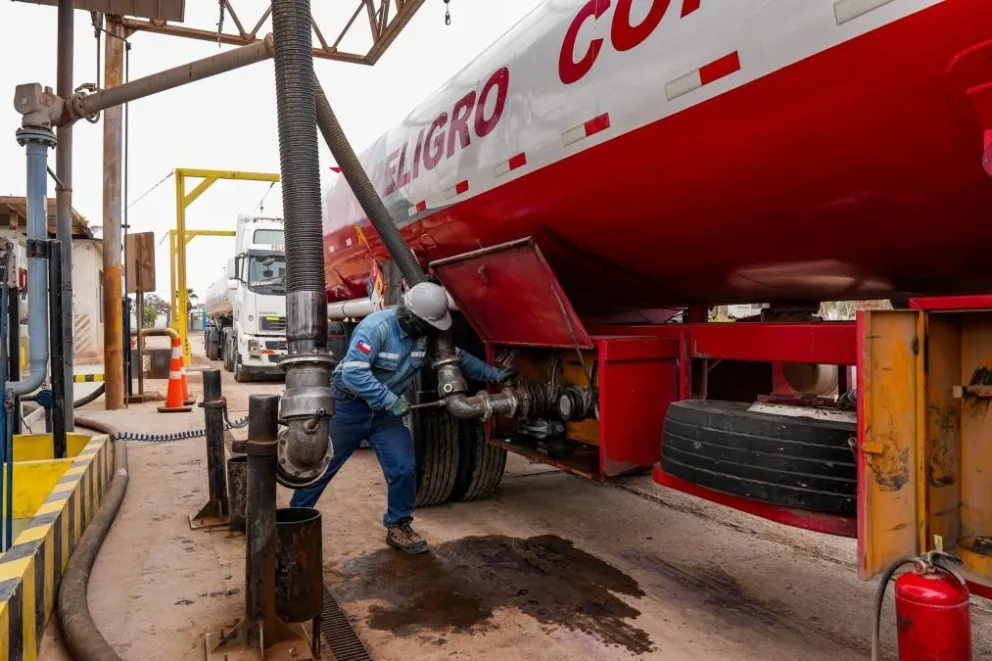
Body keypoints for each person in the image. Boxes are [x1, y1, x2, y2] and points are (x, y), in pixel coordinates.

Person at [289, 282, 515, 554]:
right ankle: (292, 524)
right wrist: (389, 400)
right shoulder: (376, 328)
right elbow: (353, 374)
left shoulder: (426, 335)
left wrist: (495, 376)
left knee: (403, 468)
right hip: (349, 407)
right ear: (413, 318)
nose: (435, 331)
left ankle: (398, 525)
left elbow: (459, 359)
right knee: (321, 466)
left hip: (383, 415)